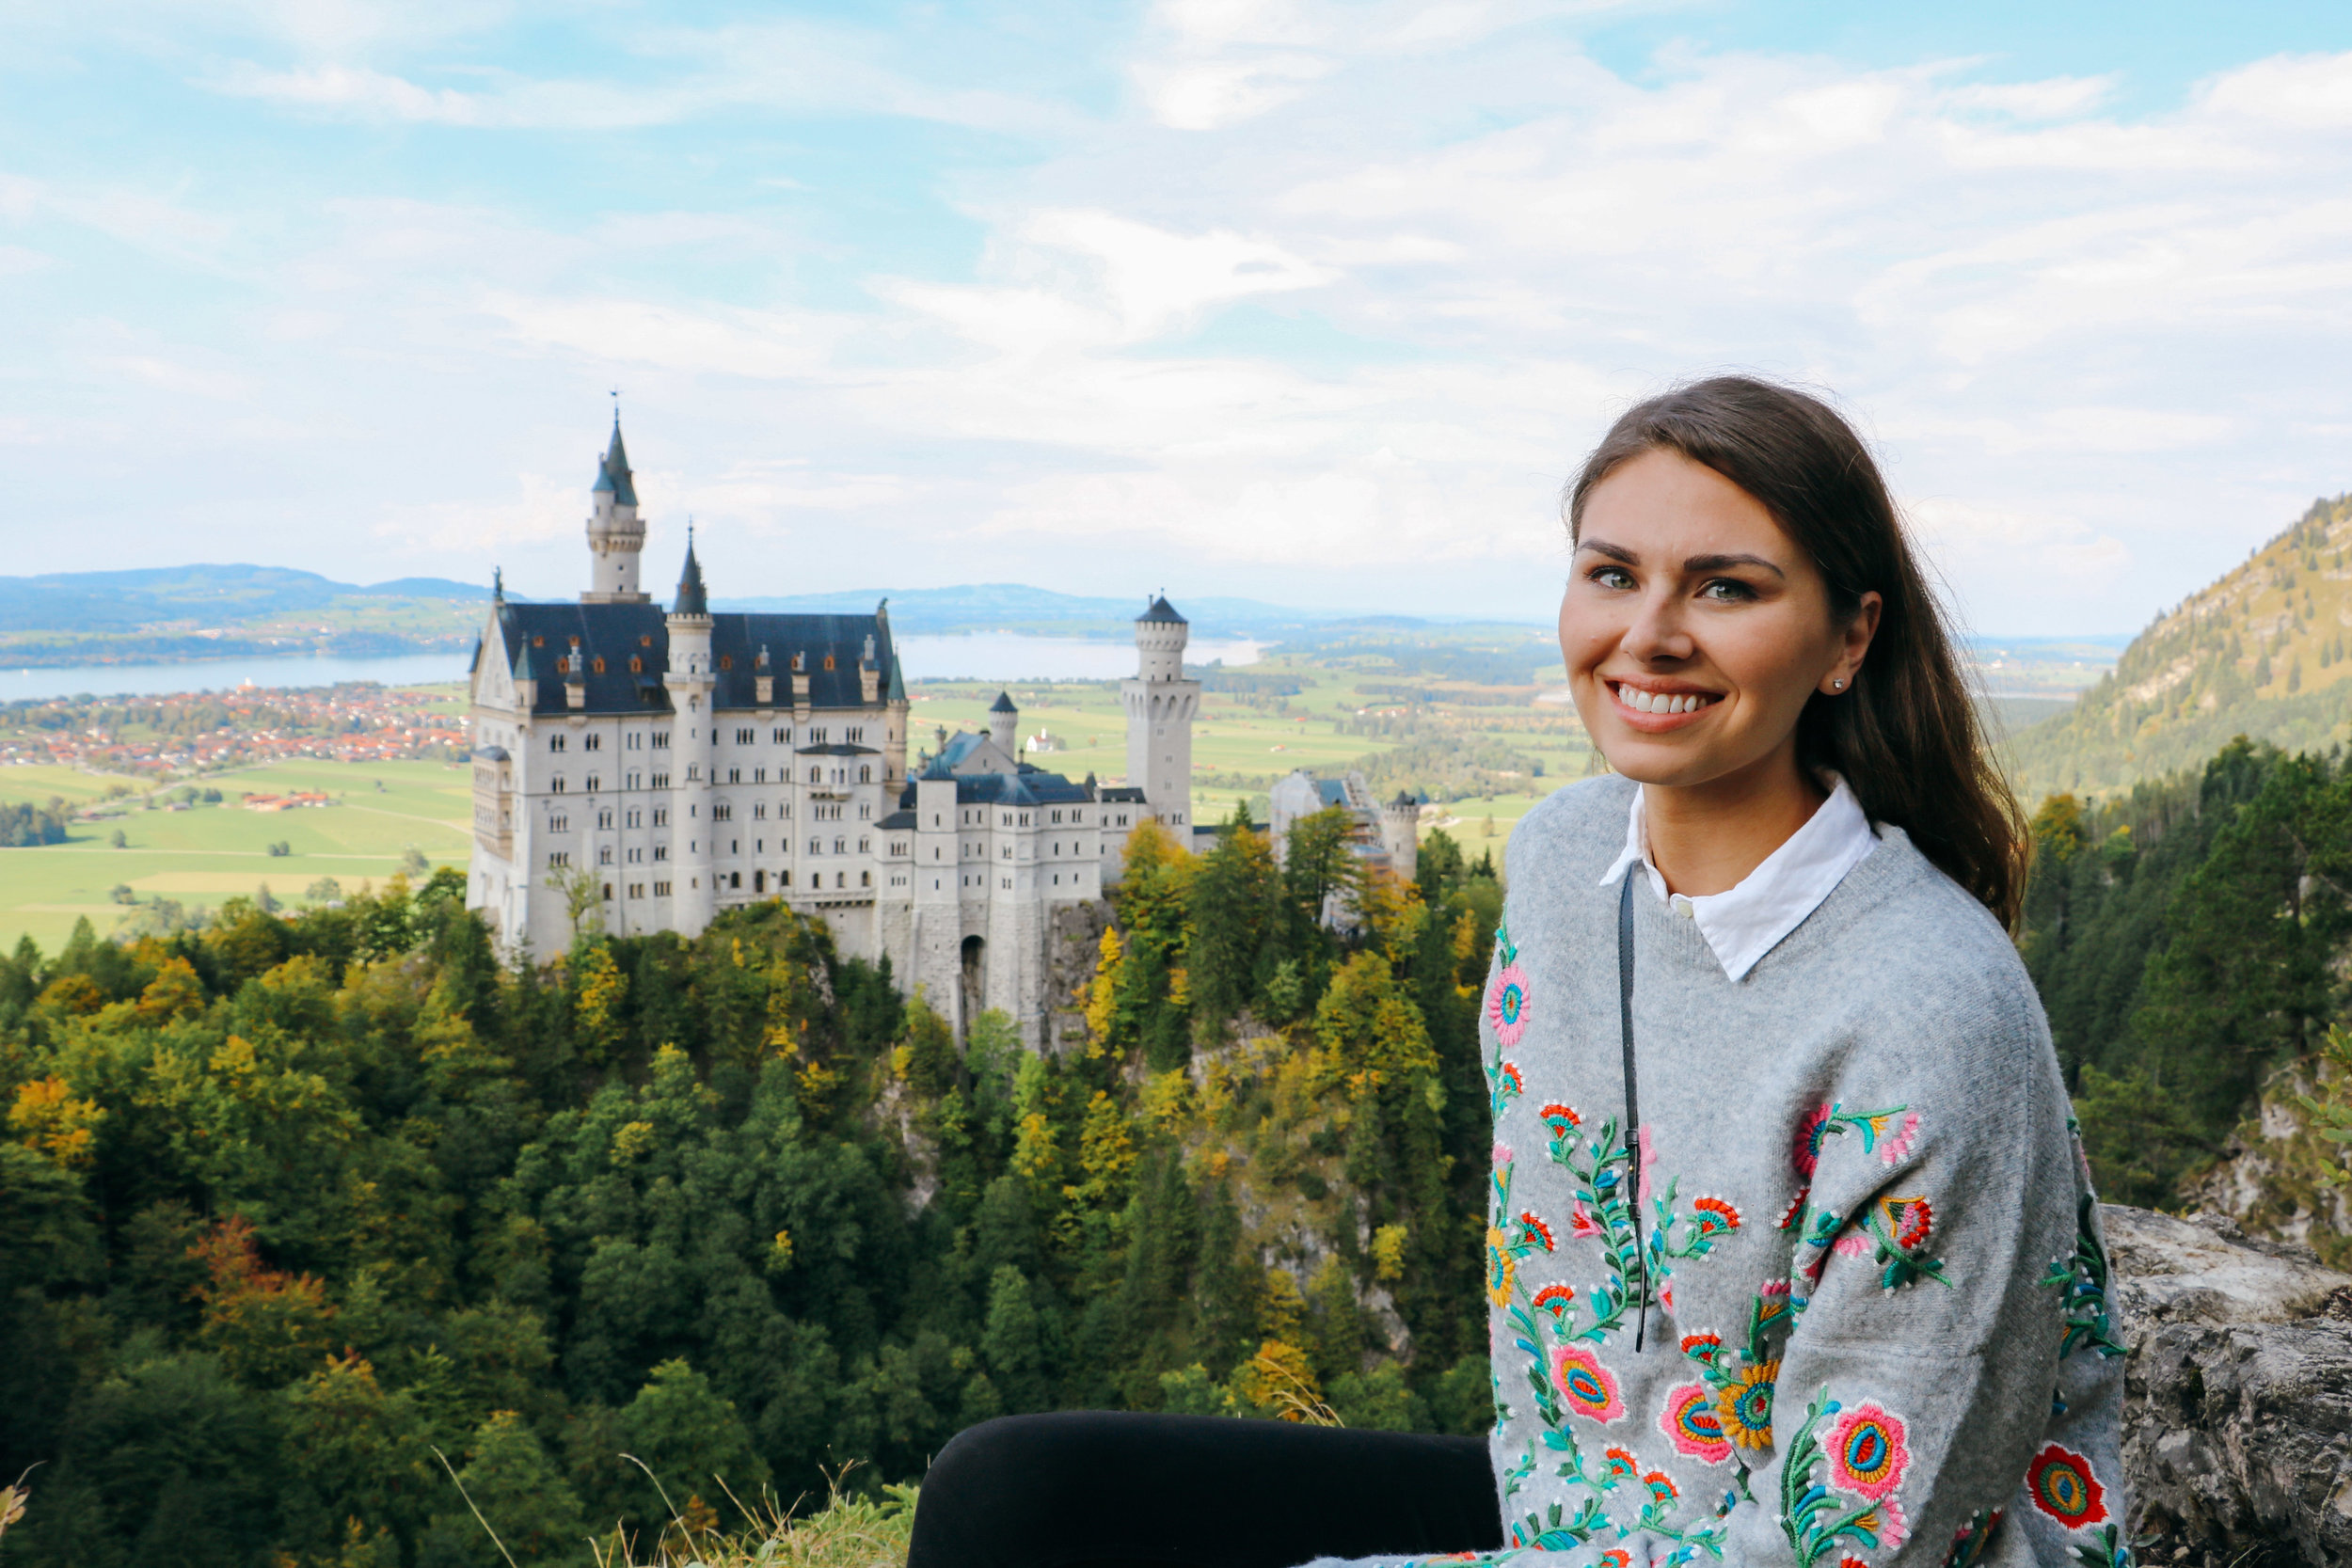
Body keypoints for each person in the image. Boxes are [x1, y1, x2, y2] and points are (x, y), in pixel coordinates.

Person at [905, 376, 2125, 1568]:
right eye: (1612, 573)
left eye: (1724, 587)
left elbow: (1851, 1550)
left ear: (1848, 636)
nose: (1649, 631)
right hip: (1578, 1500)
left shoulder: (1929, 1016)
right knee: (1014, 1496)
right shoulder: (1563, 863)